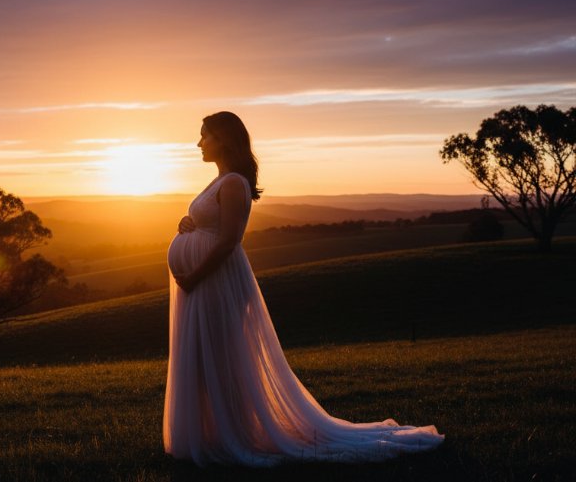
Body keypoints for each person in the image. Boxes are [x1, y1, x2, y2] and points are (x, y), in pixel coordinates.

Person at [163, 111, 445, 466]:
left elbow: (229, 240)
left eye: (204, 135)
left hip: (215, 282)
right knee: (205, 361)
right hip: (203, 283)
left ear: (223, 138)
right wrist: (187, 223)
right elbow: (211, 226)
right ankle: (212, 434)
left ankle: (233, 436)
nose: (198, 143)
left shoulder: (233, 182)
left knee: (221, 362)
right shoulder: (219, 181)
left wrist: (195, 276)